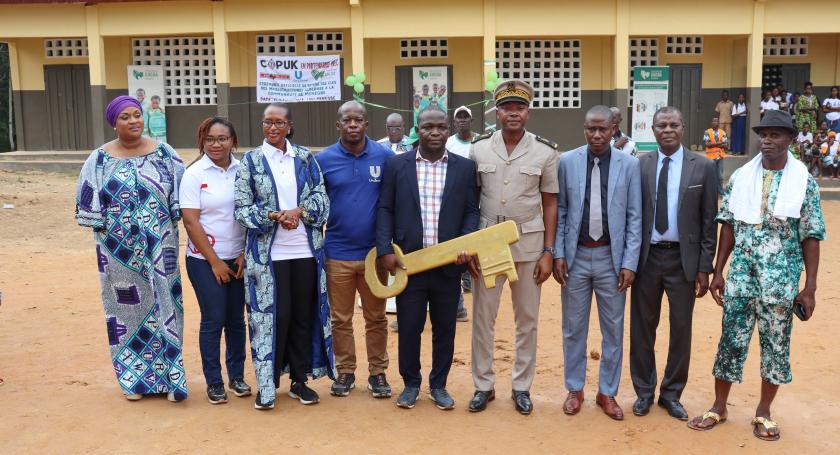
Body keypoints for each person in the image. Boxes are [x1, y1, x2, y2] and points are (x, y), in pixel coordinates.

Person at [687, 110, 825, 442]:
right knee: (730, 341)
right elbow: (730, 226)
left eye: (776, 134)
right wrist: (719, 271)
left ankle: (764, 412)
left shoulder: (804, 182)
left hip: (780, 282)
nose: (767, 140)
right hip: (741, 278)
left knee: (776, 346)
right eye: (764, 134)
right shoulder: (742, 177)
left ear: (790, 140)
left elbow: (811, 236)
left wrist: (810, 288)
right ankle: (719, 407)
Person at [75, 95, 187, 402]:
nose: (133, 121)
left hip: (160, 248)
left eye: (136, 114)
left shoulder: (164, 153)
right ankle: (134, 381)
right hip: (117, 253)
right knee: (125, 312)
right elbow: (87, 203)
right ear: (114, 122)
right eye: (125, 117)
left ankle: (172, 380)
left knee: (167, 306)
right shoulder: (98, 160)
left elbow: (183, 196)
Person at [376, 106, 479, 410]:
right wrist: (384, 249)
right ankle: (410, 383)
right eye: (428, 127)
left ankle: (438, 384)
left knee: (445, 327)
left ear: (448, 130)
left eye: (441, 127)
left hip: (449, 264)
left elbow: (472, 211)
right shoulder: (397, 166)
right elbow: (385, 209)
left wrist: (466, 244)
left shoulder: (464, 167)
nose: (435, 133)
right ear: (416, 130)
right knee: (409, 326)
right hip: (411, 263)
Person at [234, 103, 335, 410]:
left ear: (290, 126)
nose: (272, 128)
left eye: (279, 123)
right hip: (268, 258)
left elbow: (321, 197)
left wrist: (300, 212)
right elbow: (240, 208)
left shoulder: (305, 157)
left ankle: (299, 381)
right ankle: (268, 385)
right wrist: (273, 215)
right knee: (274, 318)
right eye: (267, 123)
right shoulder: (251, 161)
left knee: (303, 317)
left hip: (305, 253)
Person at [468, 80, 559, 415]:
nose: (513, 113)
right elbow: (471, 201)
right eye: (506, 107)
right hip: (488, 244)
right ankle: (483, 384)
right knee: (483, 318)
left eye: (519, 107)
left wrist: (548, 251)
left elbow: (550, 204)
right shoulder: (478, 149)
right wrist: (471, 246)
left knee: (527, 319)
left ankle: (522, 386)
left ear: (528, 111)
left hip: (529, 245)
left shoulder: (546, 152)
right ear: (497, 111)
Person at [554, 105, 642, 421]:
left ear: (613, 129)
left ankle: (607, 392)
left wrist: (629, 262)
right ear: (584, 129)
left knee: (613, 330)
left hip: (611, 259)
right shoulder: (567, 162)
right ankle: (575, 389)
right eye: (591, 128)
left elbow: (634, 217)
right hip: (575, 257)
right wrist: (559, 254)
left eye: (603, 129)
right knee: (573, 328)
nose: (597, 135)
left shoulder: (629, 165)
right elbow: (561, 212)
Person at [630, 107, 718, 421]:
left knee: (681, 329)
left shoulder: (704, 167)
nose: (668, 129)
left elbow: (709, 222)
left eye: (674, 124)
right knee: (642, 328)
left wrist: (704, 267)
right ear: (652, 130)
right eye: (661, 125)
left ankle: (671, 393)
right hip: (647, 258)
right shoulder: (639, 166)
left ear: (683, 128)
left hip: (685, 260)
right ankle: (643, 391)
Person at [315, 101, 394, 399]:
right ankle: (346, 371)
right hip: (337, 254)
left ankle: (378, 372)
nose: (352, 125)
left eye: (357, 120)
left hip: (375, 256)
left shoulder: (385, 157)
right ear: (338, 125)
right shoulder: (323, 160)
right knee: (341, 318)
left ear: (366, 124)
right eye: (346, 120)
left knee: (376, 318)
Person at [180, 117, 251, 405]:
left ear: (233, 141)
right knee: (214, 318)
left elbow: (251, 212)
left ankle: (236, 376)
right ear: (202, 142)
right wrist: (215, 263)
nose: (216, 144)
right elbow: (190, 221)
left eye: (222, 138)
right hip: (204, 260)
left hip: (240, 257)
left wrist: (245, 253)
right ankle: (214, 381)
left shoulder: (244, 170)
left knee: (236, 320)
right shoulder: (194, 174)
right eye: (210, 139)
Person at [703, 118, 728, 194]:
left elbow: (726, 146)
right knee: (711, 176)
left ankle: (720, 191)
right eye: (713, 121)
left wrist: (713, 144)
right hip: (710, 158)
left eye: (717, 121)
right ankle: (710, 192)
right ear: (711, 123)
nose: (715, 122)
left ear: (719, 123)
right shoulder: (707, 132)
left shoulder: (722, 132)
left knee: (720, 177)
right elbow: (707, 144)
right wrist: (720, 144)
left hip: (720, 157)